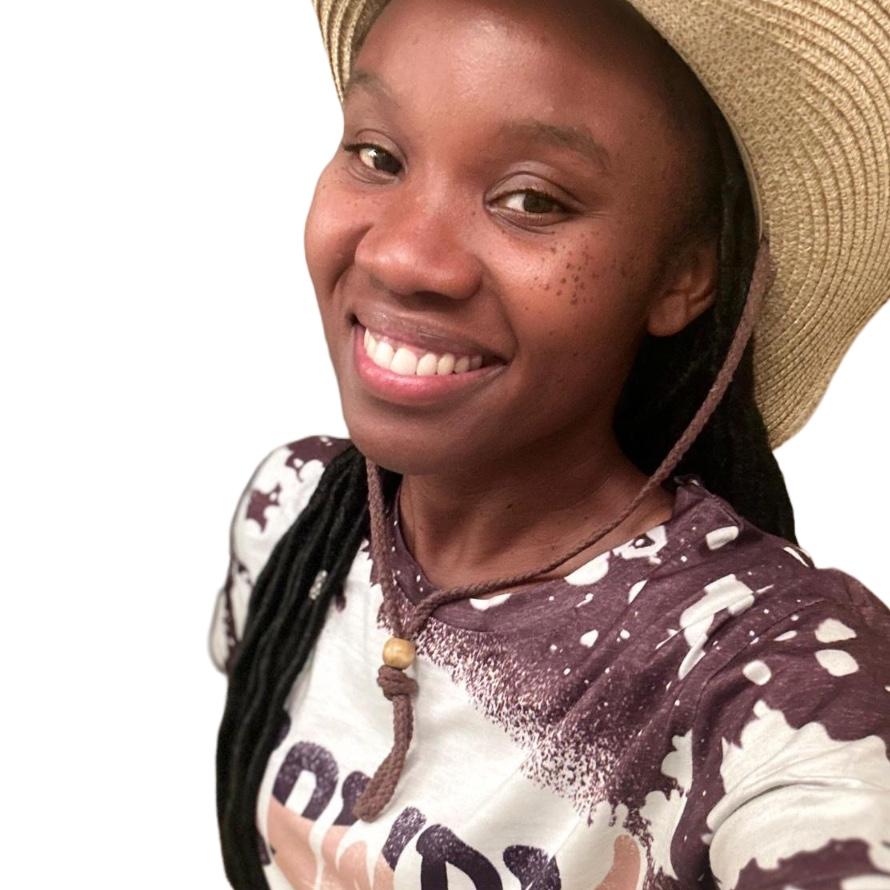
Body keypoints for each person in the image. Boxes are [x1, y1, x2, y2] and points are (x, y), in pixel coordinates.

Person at [210, 0, 890, 887]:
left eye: (531, 199)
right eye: (378, 156)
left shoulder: (769, 674)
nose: (403, 257)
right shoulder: (295, 514)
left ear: (687, 274)